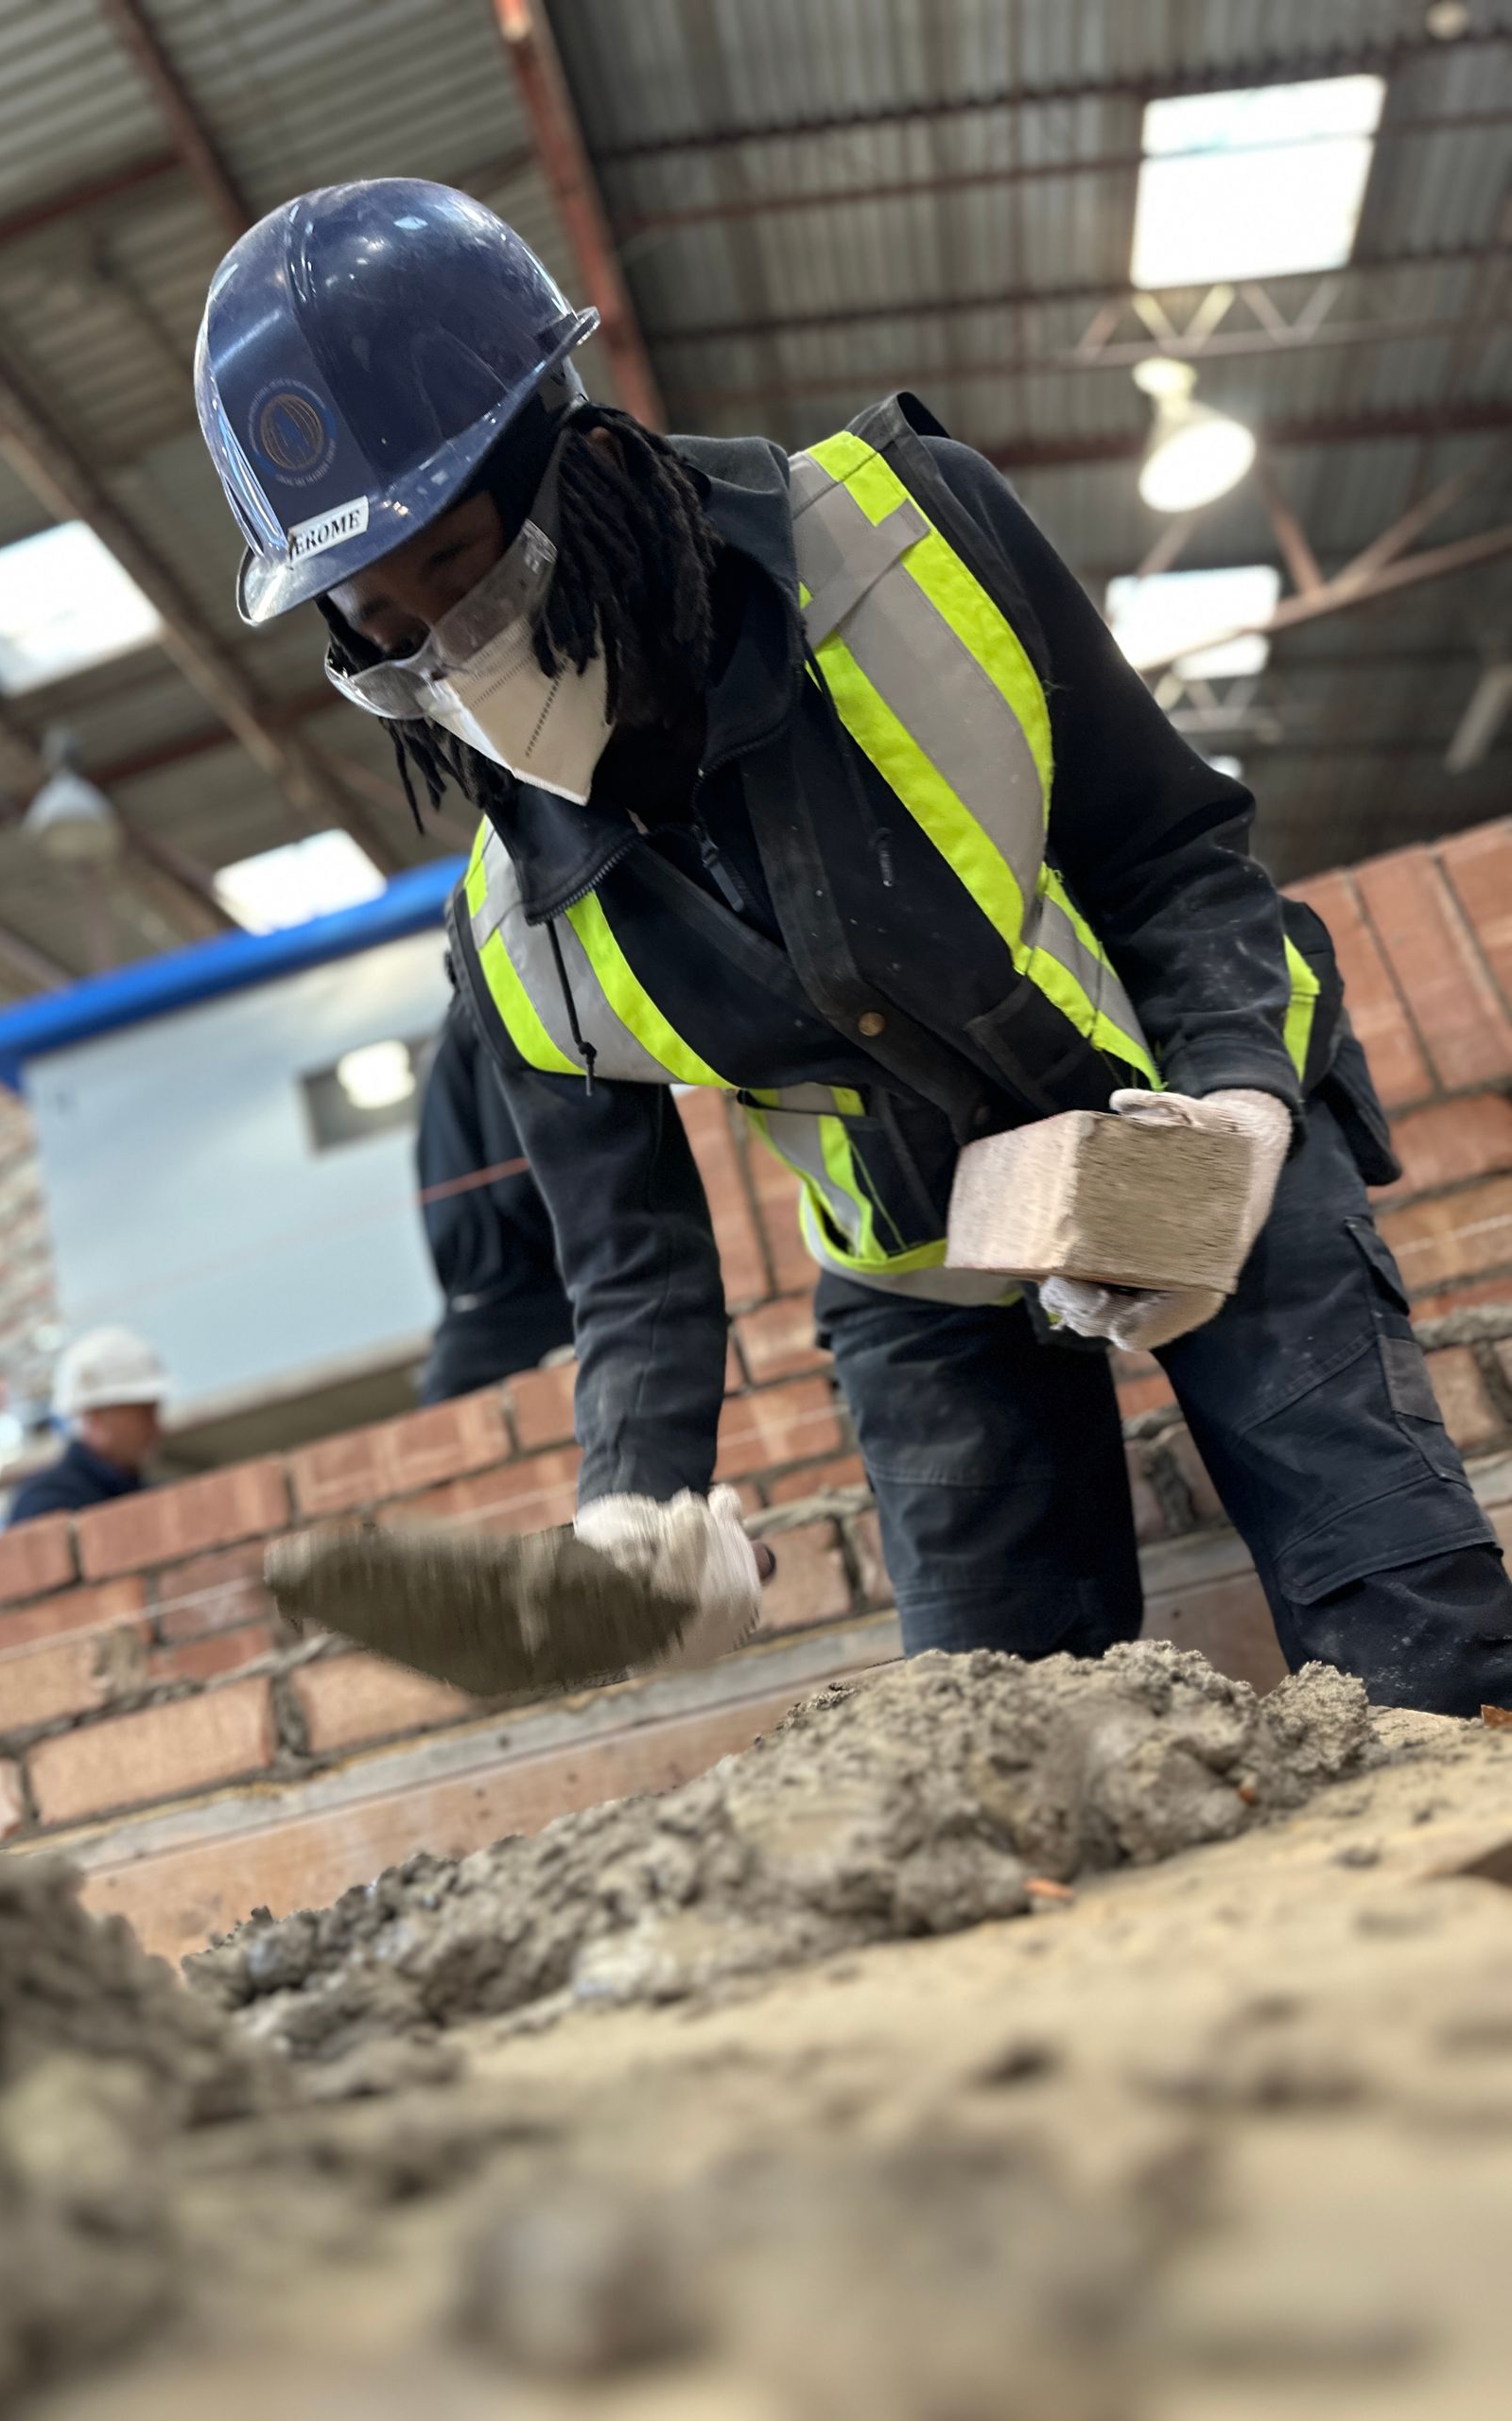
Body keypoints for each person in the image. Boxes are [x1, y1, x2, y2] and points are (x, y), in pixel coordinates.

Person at [193, 179, 1512, 1716]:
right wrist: (637, 1517)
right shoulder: (511, 940)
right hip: (923, 1280)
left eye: (464, 563)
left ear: (576, 457)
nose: (448, 646)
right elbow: (634, 1271)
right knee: (994, 1742)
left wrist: (1233, 1117)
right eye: (385, 624)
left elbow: (1174, 855)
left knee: (1416, 1645)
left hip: (1179, 1130)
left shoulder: (903, 538)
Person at [416, 989, 573, 1404]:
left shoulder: (451, 1032)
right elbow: (520, 1181)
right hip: (520, 1316)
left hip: (473, 1324)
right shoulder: (494, 1005)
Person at [8, 1326, 168, 1524]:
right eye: (143, 1414)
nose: (156, 1428)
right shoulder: (46, 1503)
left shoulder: (142, 1493)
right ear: (96, 1416)